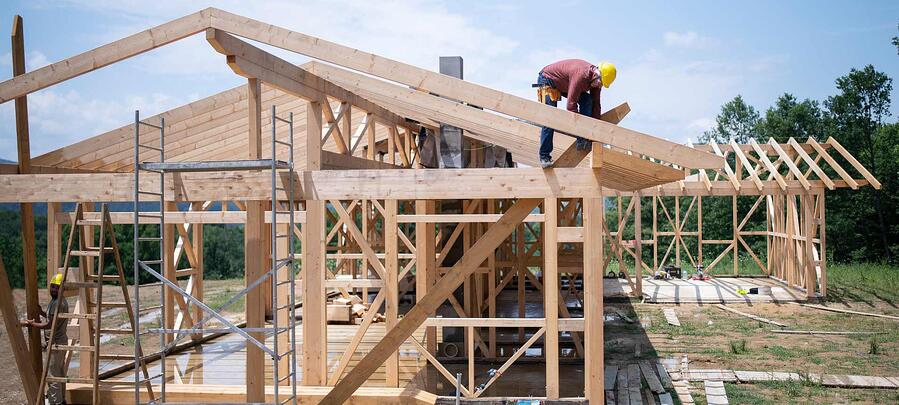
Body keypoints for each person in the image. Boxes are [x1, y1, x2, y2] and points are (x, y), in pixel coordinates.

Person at [536, 59, 616, 167]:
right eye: (600, 83)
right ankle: (544, 156)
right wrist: (579, 130)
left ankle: (583, 139)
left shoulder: (596, 82)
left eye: (602, 85)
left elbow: (596, 105)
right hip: (548, 80)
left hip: (564, 83)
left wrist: (595, 130)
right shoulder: (581, 75)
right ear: (597, 74)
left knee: (588, 100)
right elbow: (571, 106)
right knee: (551, 116)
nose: (599, 86)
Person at [23, 272, 69, 405]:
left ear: (62, 289)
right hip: (59, 342)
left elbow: (49, 324)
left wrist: (32, 324)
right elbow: (52, 318)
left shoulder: (57, 303)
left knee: (53, 376)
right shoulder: (56, 301)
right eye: (52, 286)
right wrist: (42, 312)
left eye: (57, 287)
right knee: (59, 373)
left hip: (56, 343)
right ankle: (62, 400)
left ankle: (56, 402)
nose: (53, 289)